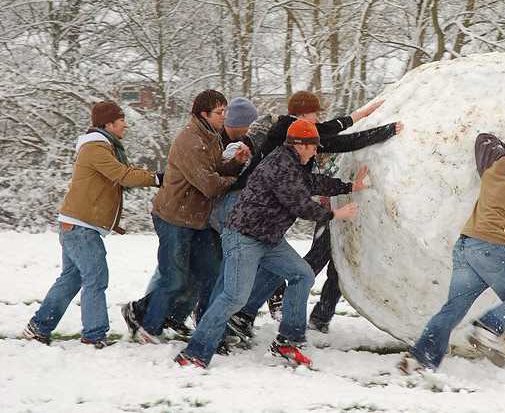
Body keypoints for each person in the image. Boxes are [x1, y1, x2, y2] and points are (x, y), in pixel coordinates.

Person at [174, 119, 367, 368]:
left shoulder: (296, 164)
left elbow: (313, 183)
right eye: (313, 146)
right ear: (299, 145)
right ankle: (194, 352)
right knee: (234, 298)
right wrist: (336, 215)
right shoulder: (281, 166)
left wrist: (350, 186)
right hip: (244, 238)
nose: (317, 150)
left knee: (302, 275)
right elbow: (301, 205)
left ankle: (288, 341)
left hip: (269, 238)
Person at [221, 91, 402, 340]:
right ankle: (222, 328)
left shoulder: (294, 130)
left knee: (276, 266)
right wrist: (389, 130)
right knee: (242, 279)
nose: (318, 118)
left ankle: (247, 318)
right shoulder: (294, 137)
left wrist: (360, 115)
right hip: (252, 210)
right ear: (304, 115)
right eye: (315, 113)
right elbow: (341, 142)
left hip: (263, 213)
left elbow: (329, 131)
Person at [399, 133, 505, 373]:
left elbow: (484, 139)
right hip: (495, 246)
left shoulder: (499, 161)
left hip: (467, 244)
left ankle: (419, 359)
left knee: (453, 309)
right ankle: (489, 328)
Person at [23, 101, 161, 348]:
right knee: (96, 278)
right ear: (108, 124)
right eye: (121, 121)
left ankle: (39, 327)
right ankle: (94, 335)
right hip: (79, 226)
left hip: (75, 224)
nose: (125, 125)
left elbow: (122, 174)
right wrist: (157, 178)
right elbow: (123, 175)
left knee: (71, 279)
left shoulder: (102, 146)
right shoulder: (96, 148)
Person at [122, 90, 250, 344]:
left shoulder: (211, 136)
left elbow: (215, 170)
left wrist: (236, 162)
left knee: (208, 272)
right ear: (203, 114)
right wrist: (239, 179)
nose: (224, 117)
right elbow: (209, 184)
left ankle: (168, 316)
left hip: (197, 219)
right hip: (174, 217)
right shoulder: (190, 140)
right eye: (219, 112)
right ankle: (147, 325)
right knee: (174, 277)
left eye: (225, 111)